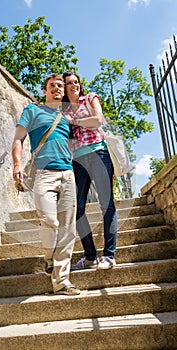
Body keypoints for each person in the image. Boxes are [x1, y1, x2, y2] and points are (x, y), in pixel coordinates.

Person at [12, 73, 80, 295]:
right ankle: (50, 258)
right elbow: (18, 139)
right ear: (44, 91)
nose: (57, 88)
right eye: (52, 86)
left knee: (68, 229)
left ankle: (61, 281)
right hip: (44, 174)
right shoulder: (32, 110)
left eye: (60, 86)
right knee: (49, 220)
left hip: (68, 174)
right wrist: (17, 164)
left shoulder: (67, 118)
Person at [62, 72, 117, 270]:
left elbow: (97, 120)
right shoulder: (64, 110)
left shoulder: (89, 98)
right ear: (65, 87)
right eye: (69, 83)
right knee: (77, 208)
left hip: (99, 153)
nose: (74, 85)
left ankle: (109, 256)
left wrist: (75, 121)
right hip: (77, 160)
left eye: (76, 82)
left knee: (106, 204)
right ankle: (91, 256)